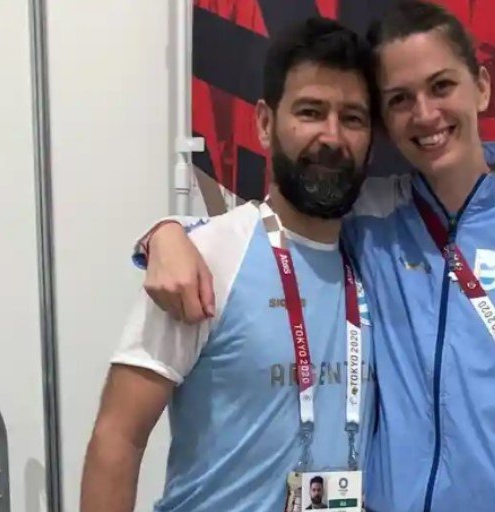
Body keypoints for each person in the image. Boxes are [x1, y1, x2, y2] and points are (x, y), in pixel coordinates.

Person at [131, 2, 495, 511]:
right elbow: (274, 222)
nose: (425, 114)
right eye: (400, 99)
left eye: (441, 86)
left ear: (481, 86)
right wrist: (168, 233)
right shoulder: (368, 214)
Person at [80, 18, 379, 512]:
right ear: (264, 123)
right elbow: (118, 438)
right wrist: (165, 233)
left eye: (352, 118)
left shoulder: (377, 264)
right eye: (310, 112)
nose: (332, 136)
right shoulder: (205, 257)